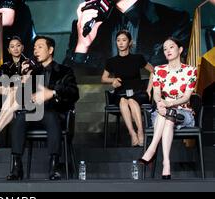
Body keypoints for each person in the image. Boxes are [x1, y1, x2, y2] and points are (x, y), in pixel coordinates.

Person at [7, 36, 79, 181]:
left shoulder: (64, 71)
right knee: (20, 117)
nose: (35, 50)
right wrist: (23, 80)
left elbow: (74, 93)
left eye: (40, 47)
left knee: (50, 115)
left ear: (50, 50)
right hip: (34, 113)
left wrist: (52, 93)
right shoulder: (32, 72)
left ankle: (54, 166)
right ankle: (17, 166)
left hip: (55, 114)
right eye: (34, 48)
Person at [64, 0, 191, 73]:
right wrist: (82, 46)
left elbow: (170, 75)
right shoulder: (86, 25)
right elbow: (68, 88)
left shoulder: (174, 20)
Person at [138, 38, 198, 180]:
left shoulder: (191, 70)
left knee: (168, 114)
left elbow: (186, 98)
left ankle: (152, 149)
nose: (168, 51)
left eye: (171, 47)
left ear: (180, 49)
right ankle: (166, 163)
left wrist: (168, 103)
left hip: (184, 113)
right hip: (163, 111)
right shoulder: (159, 70)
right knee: (167, 117)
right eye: (165, 49)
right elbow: (157, 93)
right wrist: (159, 103)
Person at [101, 30, 154, 146]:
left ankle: (140, 132)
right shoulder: (111, 61)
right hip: (120, 93)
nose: (121, 43)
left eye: (124, 40)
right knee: (123, 101)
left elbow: (154, 71)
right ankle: (132, 134)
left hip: (138, 92)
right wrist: (112, 80)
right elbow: (103, 78)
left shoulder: (138, 58)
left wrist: (149, 90)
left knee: (131, 100)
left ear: (130, 42)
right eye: (118, 40)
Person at [0, 36, 29, 148]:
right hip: (11, 100)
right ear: (9, 50)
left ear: (22, 47)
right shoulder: (4, 67)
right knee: (13, 94)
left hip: (28, 98)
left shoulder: (28, 63)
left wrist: (13, 87)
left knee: (15, 91)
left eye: (18, 45)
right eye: (12, 47)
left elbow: (28, 84)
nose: (15, 49)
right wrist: (12, 89)